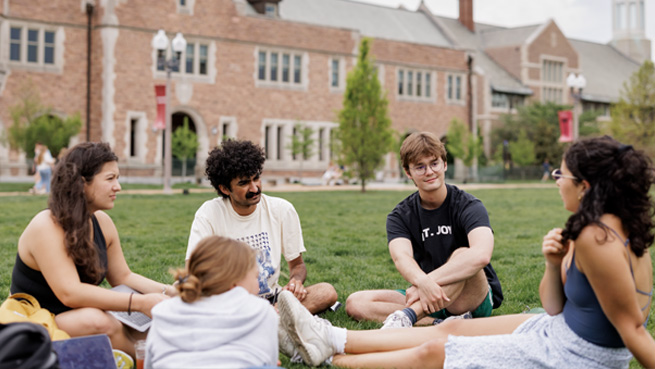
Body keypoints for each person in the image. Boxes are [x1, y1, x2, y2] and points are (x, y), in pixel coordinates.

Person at [277, 135, 655, 369]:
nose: (556, 182)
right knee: (452, 330)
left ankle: (327, 354)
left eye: (561, 175)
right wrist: (552, 263)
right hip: (555, 327)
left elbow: (633, 330)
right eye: (419, 166)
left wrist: (425, 288)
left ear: (585, 186)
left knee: (437, 353)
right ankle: (330, 335)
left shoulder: (597, 240)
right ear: (410, 172)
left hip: (576, 355)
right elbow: (555, 307)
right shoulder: (598, 229)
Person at [10, 142, 172, 358]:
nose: (118, 187)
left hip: (76, 313)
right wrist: (140, 303)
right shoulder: (46, 226)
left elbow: (123, 276)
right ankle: (156, 361)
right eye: (110, 179)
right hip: (35, 318)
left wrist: (168, 291)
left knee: (153, 324)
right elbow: (70, 293)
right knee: (99, 322)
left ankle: (145, 356)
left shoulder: (102, 223)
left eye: (117, 178)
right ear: (81, 183)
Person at [186, 139, 338, 360]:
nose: (255, 188)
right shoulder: (208, 214)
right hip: (230, 304)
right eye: (244, 183)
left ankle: (266, 322)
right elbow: (196, 273)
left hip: (274, 301)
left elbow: (297, 266)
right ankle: (270, 325)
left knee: (327, 292)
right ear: (224, 188)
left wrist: (295, 282)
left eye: (256, 178)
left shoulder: (282, 209)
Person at [346, 132, 503, 328]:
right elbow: (401, 258)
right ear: (408, 172)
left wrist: (425, 282)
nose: (429, 171)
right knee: (356, 302)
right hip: (427, 296)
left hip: (469, 298)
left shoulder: (468, 205)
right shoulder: (400, 215)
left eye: (434, 163)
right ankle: (438, 323)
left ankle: (408, 316)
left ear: (444, 164)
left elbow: (481, 255)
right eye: (420, 167)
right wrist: (424, 284)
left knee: (463, 254)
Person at [145, 235, 279, 368]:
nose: (259, 285)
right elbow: (269, 360)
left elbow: (151, 364)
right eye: (256, 277)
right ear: (234, 282)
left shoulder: (163, 311)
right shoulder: (261, 310)